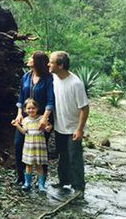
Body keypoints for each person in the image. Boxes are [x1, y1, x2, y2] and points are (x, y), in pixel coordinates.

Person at [48, 51, 89, 194]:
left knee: (74, 158)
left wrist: (80, 129)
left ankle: (78, 187)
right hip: (60, 126)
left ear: (60, 65)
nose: (49, 64)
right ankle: (64, 181)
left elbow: (85, 108)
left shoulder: (76, 83)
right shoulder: (54, 78)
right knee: (63, 155)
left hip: (73, 128)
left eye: (51, 62)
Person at [13, 51, 55, 185]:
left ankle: (42, 180)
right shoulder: (26, 76)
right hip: (26, 118)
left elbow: (50, 100)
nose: (29, 59)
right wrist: (19, 113)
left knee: (41, 147)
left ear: (37, 62)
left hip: (42, 119)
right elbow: (21, 97)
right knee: (18, 144)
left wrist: (45, 118)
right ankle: (21, 177)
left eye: (31, 57)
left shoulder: (48, 79)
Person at [12, 98, 52, 192]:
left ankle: (41, 185)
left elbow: (48, 127)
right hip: (29, 147)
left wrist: (48, 127)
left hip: (39, 147)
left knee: (39, 166)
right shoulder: (25, 120)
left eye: (33, 108)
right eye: (28, 108)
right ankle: (27, 183)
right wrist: (17, 125)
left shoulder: (41, 118)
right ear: (25, 110)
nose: (31, 110)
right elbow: (24, 132)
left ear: (37, 108)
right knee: (28, 165)